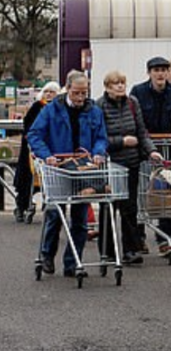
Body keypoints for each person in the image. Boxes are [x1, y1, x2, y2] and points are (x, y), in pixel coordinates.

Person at [27, 72, 109, 278]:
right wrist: (46, 156)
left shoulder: (94, 111)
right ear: (67, 89)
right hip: (59, 167)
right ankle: (47, 255)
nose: (80, 98)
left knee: (80, 218)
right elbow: (34, 134)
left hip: (83, 169)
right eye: (76, 93)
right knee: (55, 213)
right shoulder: (52, 109)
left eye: (84, 93)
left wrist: (98, 152)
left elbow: (101, 137)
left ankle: (73, 262)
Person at [96, 70, 162, 265]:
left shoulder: (132, 103)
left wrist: (151, 150)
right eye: (115, 84)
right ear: (107, 87)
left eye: (122, 83)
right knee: (108, 207)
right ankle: (107, 250)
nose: (120, 87)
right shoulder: (99, 106)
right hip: (110, 164)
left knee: (130, 208)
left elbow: (141, 131)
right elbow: (99, 138)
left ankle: (131, 250)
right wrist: (121, 141)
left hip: (131, 164)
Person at [130, 56, 171, 257]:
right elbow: (134, 119)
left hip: (169, 150)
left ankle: (165, 238)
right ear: (149, 73)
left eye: (163, 69)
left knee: (166, 192)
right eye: (156, 70)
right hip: (146, 150)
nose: (160, 74)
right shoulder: (138, 92)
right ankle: (139, 238)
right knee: (141, 193)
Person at [13, 81, 60, 223]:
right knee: (27, 180)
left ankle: (50, 206)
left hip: (52, 150)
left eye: (52, 92)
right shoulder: (37, 107)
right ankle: (22, 206)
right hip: (33, 150)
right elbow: (29, 126)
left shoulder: (59, 109)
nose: (49, 94)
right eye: (47, 91)